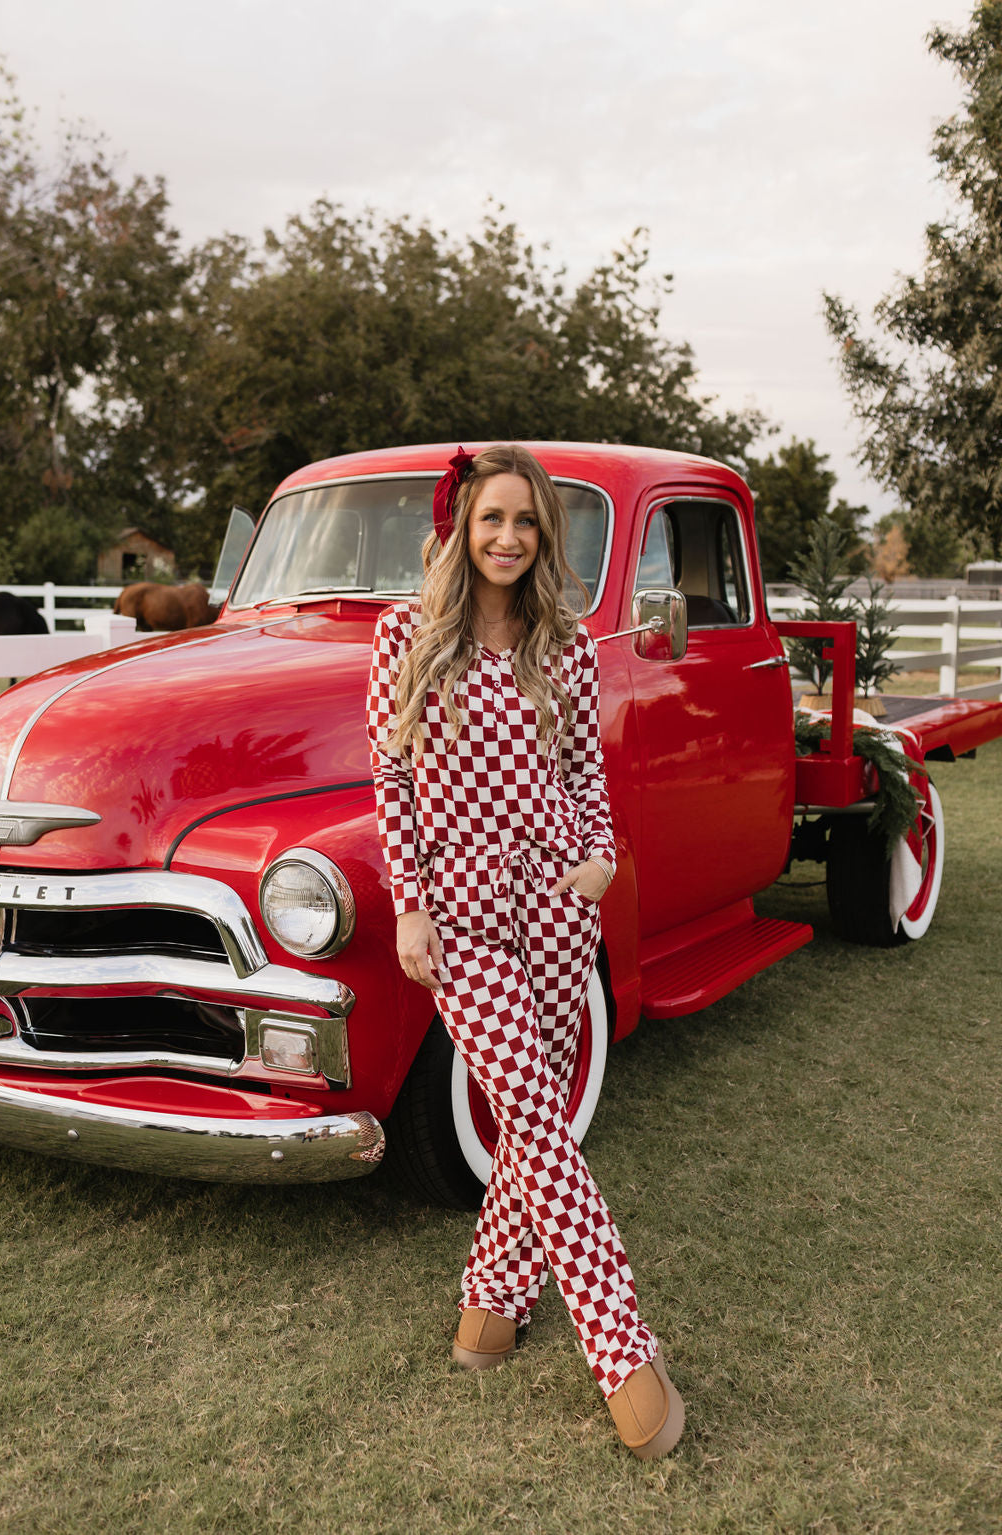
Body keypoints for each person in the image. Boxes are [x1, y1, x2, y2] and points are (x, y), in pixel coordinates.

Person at [366, 443, 685, 1459]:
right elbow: (390, 784)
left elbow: (587, 771)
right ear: (460, 526)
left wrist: (594, 862)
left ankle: (488, 1315)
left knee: (530, 1117)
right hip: (459, 909)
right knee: (539, 1119)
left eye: (527, 522)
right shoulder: (405, 635)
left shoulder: (565, 643)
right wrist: (409, 907)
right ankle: (621, 1346)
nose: (508, 537)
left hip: (556, 902)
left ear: (545, 536)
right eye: (492, 518)